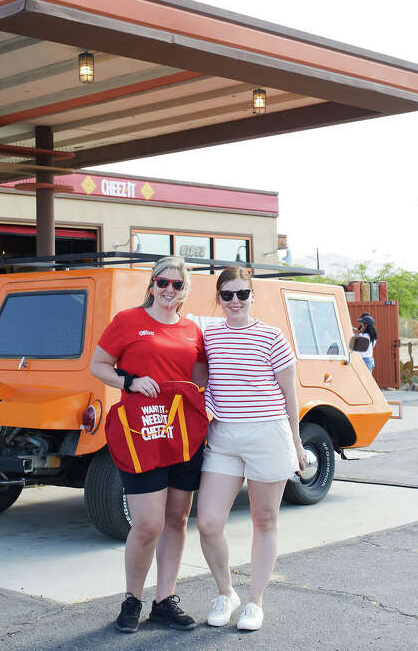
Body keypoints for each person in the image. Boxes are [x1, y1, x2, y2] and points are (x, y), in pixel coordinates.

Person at [89, 256, 207, 633]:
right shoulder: (128, 321)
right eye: (163, 283)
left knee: (177, 519)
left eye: (178, 284)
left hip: (184, 435)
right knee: (148, 524)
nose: (170, 290)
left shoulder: (193, 330)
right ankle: (132, 599)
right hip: (142, 433)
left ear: (186, 289)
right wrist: (130, 382)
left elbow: (203, 377)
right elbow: (99, 365)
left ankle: (164, 601)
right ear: (152, 284)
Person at [194, 266, 305, 632]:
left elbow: (290, 394)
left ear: (253, 296)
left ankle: (255, 601)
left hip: (268, 434)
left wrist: (297, 441)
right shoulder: (208, 337)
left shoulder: (272, 337)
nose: (235, 301)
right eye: (228, 295)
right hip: (223, 437)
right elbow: (198, 383)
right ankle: (227, 593)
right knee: (209, 523)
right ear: (219, 298)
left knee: (265, 520)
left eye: (243, 294)